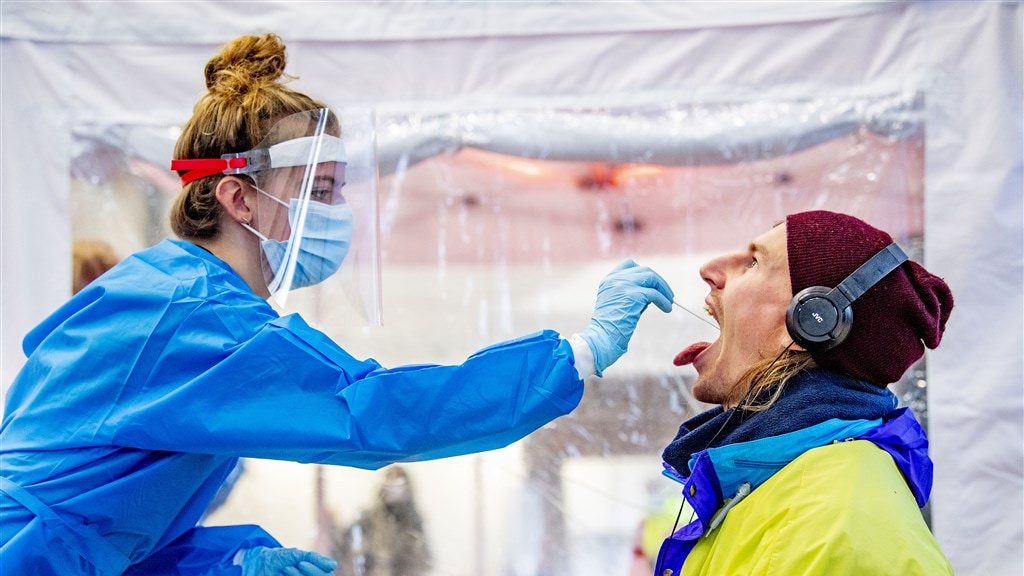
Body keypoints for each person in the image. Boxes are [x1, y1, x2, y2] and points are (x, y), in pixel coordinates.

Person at [0, 33, 674, 576]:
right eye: (318, 191)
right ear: (238, 199)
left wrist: (225, 562)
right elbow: (372, 414)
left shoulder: (174, 295)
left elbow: (107, 517)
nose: (338, 214)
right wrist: (577, 355)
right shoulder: (196, 317)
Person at [653, 210, 954, 575]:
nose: (710, 269)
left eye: (753, 263)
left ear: (812, 320)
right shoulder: (782, 491)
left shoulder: (834, 525)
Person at [332, 466, 430, 576]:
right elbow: (346, 548)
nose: (394, 484)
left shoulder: (413, 523)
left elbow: (422, 562)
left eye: (398, 478)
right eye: (390, 477)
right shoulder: (367, 519)